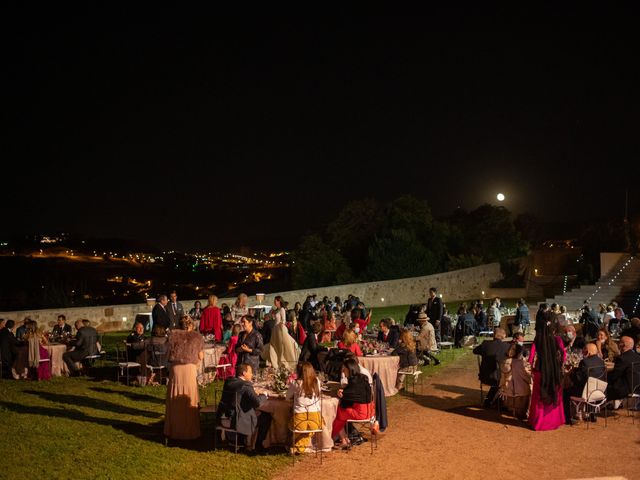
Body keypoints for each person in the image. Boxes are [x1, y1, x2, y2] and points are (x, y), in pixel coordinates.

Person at [164, 315, 204, 440]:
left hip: (176, 369)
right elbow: (201, 356)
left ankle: (174, 429)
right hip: (189, 369)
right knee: (189, 397)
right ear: (191, 325)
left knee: (175, 398)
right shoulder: (197, 337)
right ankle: (189, 430)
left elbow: (168, 354)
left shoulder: (172, 336)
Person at [216, 363, 270, 452]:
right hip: (236, 420)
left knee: (250, 409)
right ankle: (256, 444)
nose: (252, 374)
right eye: (250, 372)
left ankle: (240, 439)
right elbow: (257, 403)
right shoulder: (245, 385)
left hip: (224, 417)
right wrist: (264, 395)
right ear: (244, 373)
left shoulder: (229, 381)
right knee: (266, 417)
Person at [527, 311, 566, 430]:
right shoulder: (558, 340)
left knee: (539, 396)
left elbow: (530, 358)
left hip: (540, 371)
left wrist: (533, 369)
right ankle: (555, 420)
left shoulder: (537, 340)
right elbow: (563, 356)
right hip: (554, 371)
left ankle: (538, 422)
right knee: (554, 392)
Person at [332, 357, 373, 449]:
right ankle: (344, 438)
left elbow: (347, 396)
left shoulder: (354, 382)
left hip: (361, 413)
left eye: (344, 369)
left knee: (337, 413)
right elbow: (353, 394)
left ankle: (342, 439)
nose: (343, 371)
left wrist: (341, 394)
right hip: (370, 411)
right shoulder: (363, 378)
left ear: (349, 369)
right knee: (340, 412)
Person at [562, 342, 605, 424]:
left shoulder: (584, 362)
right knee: (589, 385)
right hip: (599, 391)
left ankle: (567, 419)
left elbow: (577, 379)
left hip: (586, 393)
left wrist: (571, 373)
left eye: (584, 350)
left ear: (588, 352)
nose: (582, 352)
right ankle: (592, 414)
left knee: (565, 393)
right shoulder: (601, 362)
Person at [286, 361, 322, 454]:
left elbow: (287, 398)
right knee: (311, 429)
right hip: (315, 418)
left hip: (299, 418)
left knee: (292, 424)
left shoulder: (295, 383)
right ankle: (298, 447)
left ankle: (295, 447)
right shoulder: (317, 381)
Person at [473, 327, 510, 407]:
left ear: (494, 335)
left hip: (485, 376)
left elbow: (475, 351)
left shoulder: (485, 344)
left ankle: (489, 400)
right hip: (500, 378)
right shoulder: (506, 347)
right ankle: (498, 401)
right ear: (504, 336)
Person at [263, 296, 299, 370]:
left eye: (275, 301)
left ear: (279, 301)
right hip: (275, 329)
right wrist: (270, 314)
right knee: (274, 345)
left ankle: (282, 361)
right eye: (274, 301)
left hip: (280, 329)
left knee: (281, 346)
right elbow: (273, 319)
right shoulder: (277, 310)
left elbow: (283, 320)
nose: (274, 302)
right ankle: (275, 361)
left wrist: (280, 326)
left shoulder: (282, 309)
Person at [498, 343, 531, 419]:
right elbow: (528, 378)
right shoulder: (522, 364)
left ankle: (511, 409)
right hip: (521, 393)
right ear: (520, 353)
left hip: (506, 391)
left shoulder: (503, 362)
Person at [606, 335, 640, 404]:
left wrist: (604, 378)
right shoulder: (638, 357)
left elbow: (614, 376)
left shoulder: (622, 358)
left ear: (622, 345)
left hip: (626, 389)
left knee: (602, 387)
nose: (618, 344)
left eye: (619, 342)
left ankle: (595, 410)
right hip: (638, 388)